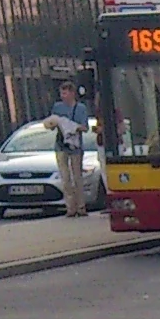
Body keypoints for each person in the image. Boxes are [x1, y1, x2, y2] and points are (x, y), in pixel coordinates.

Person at [48, 79, 92, 217]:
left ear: (72, 93)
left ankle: (81, 207)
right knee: (65, 177)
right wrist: (54, 123)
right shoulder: (57, 107)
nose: (62, 96)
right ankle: (70, 208)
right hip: (60, 145)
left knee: (77, 176)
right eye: (61, 93)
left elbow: (85, 128)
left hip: (75, 146)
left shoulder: (81, 108)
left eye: (65, 93)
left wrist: (72, 126)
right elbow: (51, 125)